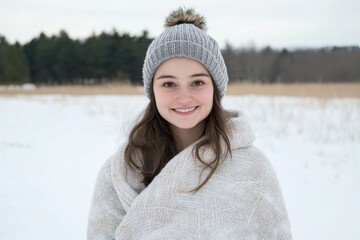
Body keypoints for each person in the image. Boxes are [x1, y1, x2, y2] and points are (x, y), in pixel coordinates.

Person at [87, 7, 292, 239]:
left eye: (197, 83)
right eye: (168, 84)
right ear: (152, 91)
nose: (184, 98)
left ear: (215, 88)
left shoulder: (253, 170)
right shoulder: (118, 174)